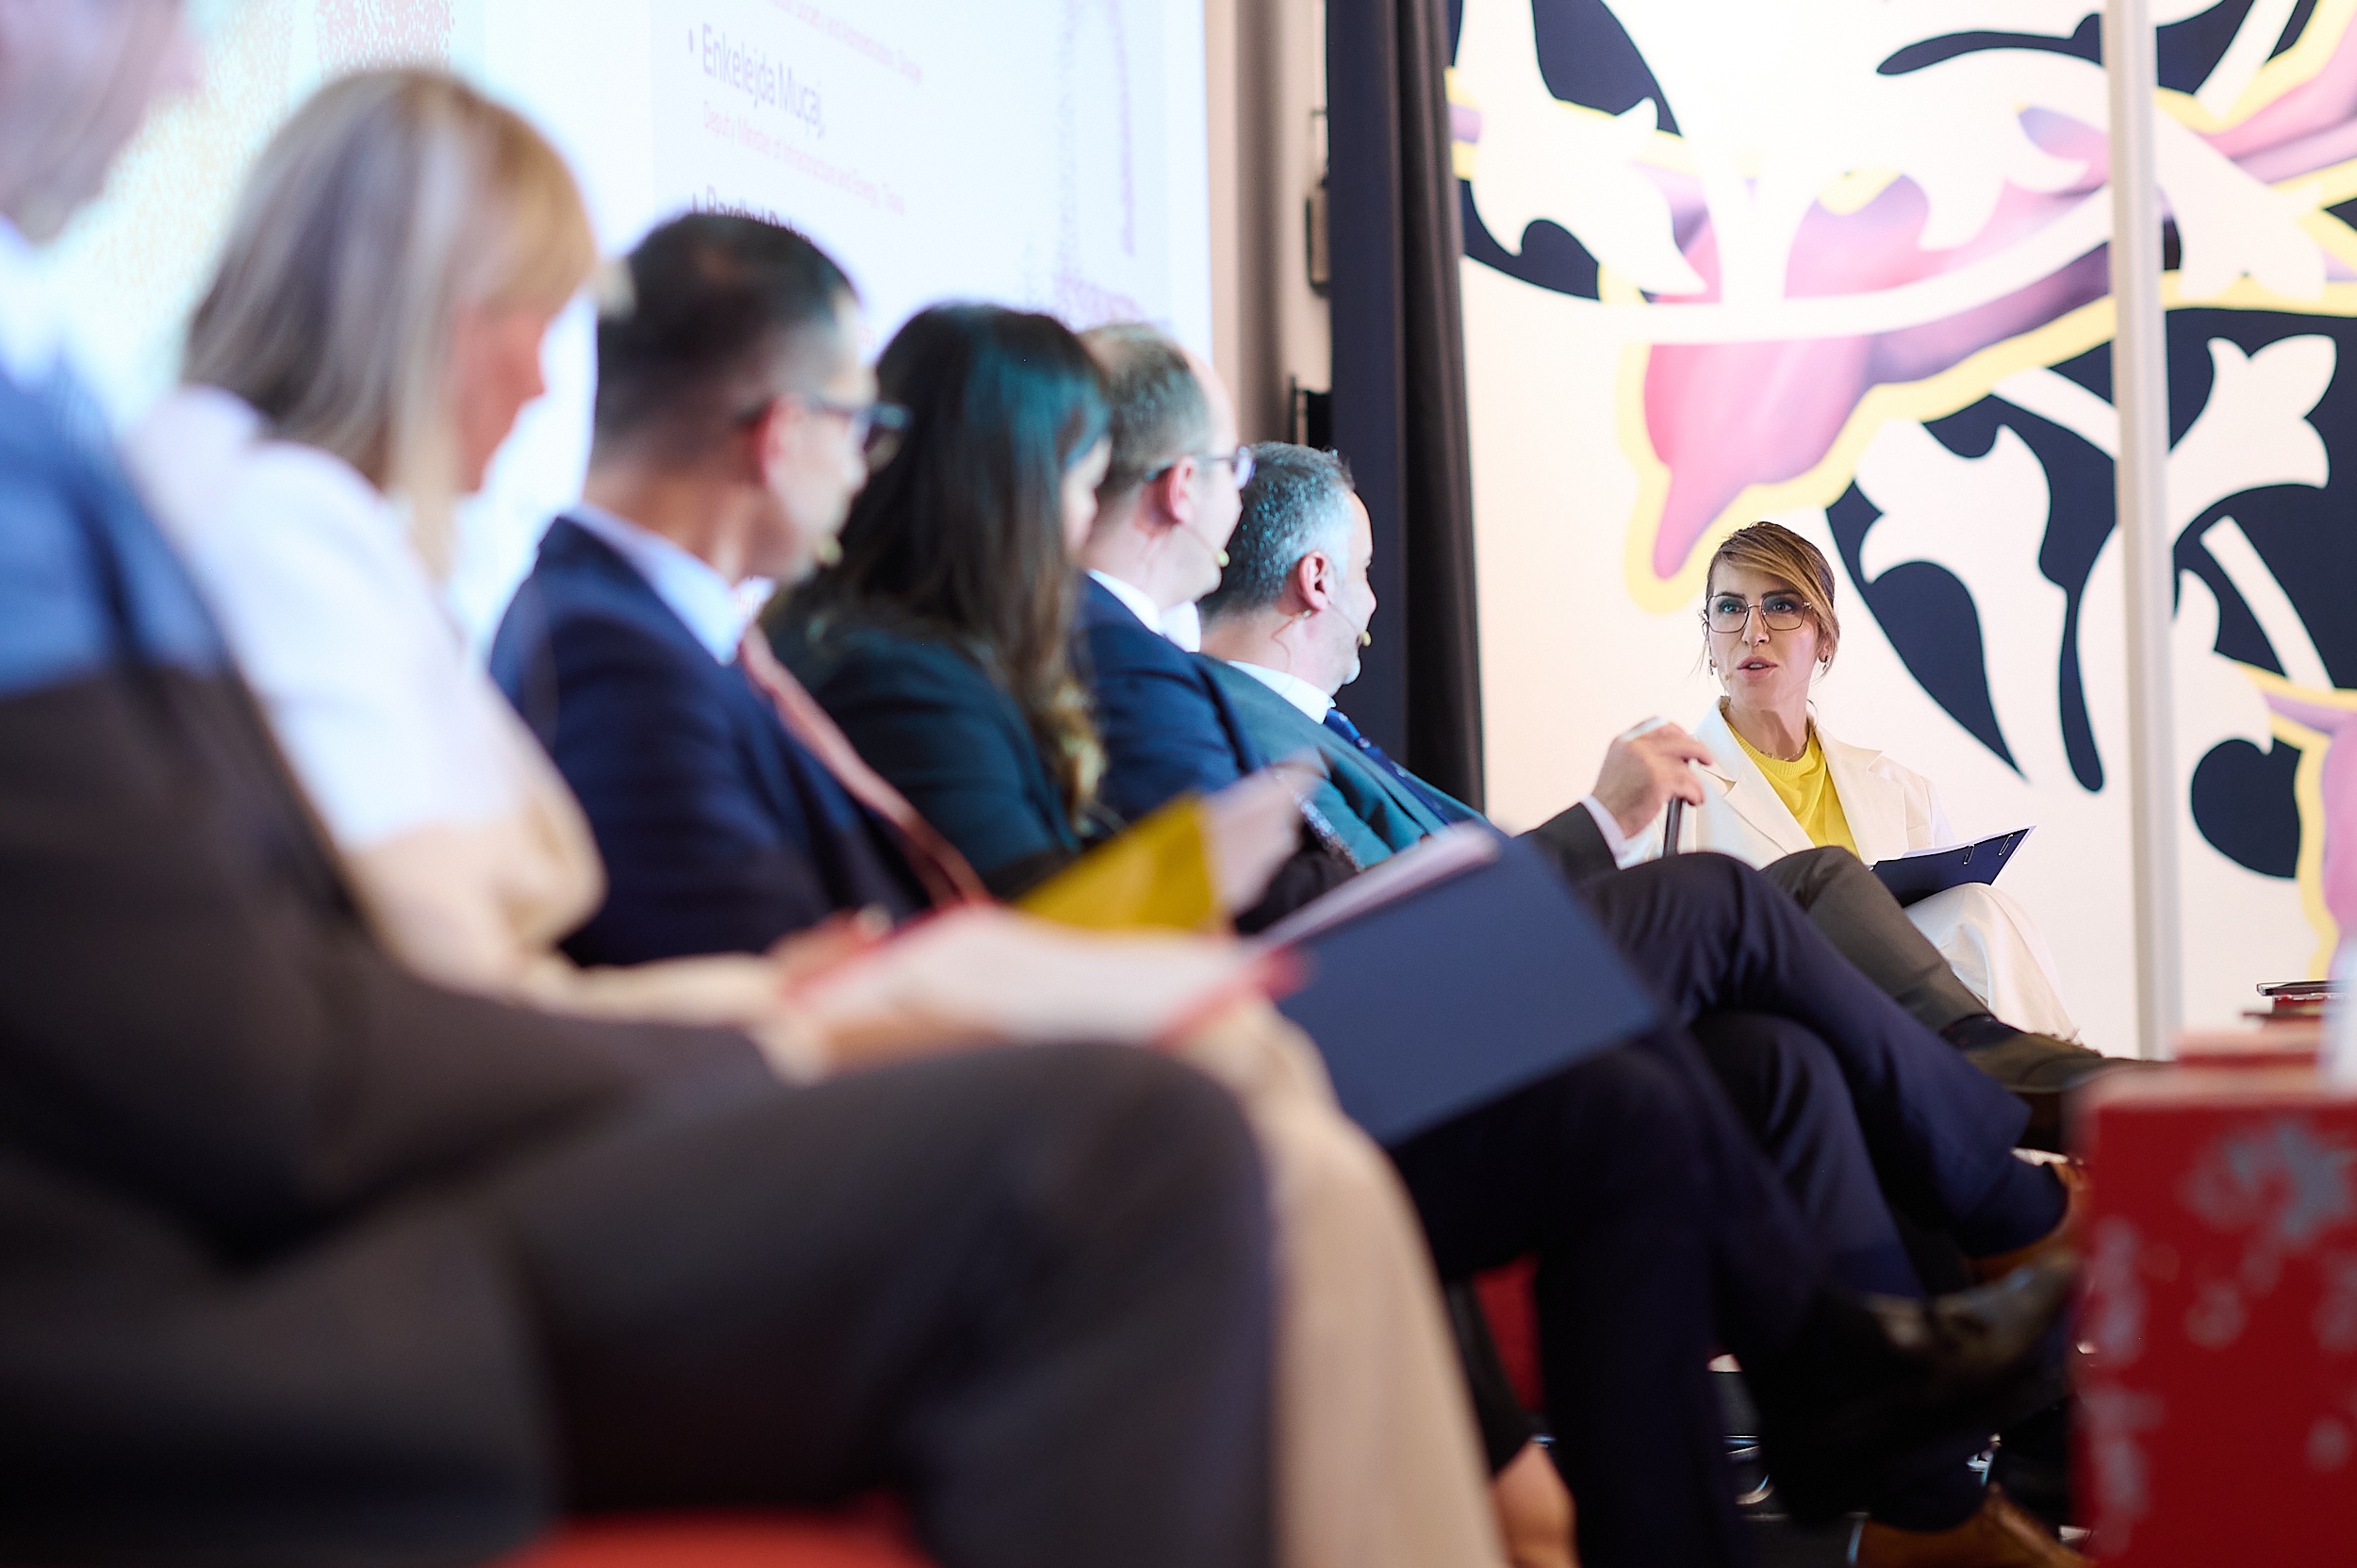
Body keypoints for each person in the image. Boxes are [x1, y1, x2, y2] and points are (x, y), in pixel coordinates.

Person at [2, 28, 1285, 1567]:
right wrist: (759, 1026)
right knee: (1149, 1144)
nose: (552, 378)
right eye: (530, 321)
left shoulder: (163, 471)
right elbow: (281, 1048)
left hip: (346, 1168)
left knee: (1202, 1106)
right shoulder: (252, 518)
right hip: (238, 1312)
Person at [766, 305, 2084, 1568]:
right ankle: (2005, 1209)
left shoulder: (1019, 653)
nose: (1085, 507)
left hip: (1298, 984)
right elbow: (1040, 917)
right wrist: (1200, 872)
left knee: (1725, 1071)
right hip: (1275, 1022)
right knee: (1732, 903)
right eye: (1075, 475)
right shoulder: (980, 662)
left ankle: (1896, 1428)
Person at [487, 213, 1511, 1568]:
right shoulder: (613, 649)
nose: (869, 462)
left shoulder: (683, 635)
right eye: (858, 423)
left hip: (860, 1106)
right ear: (780, 432)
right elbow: (777, 981)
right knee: (1265, 1130)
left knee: (1283, 1115)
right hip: (790, 1172)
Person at [1670, 520, 2081, 1046]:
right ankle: (2060, 1085)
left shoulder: (1903, 793)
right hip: (1766, 1034)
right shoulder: (1672, 792)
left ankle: (2054, 1080)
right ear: (1709, 636)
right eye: (1730, 608)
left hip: (1898, 1027)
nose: (1754, 631)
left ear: (1824, 638)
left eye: (1781, 605)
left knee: (1981, 910)